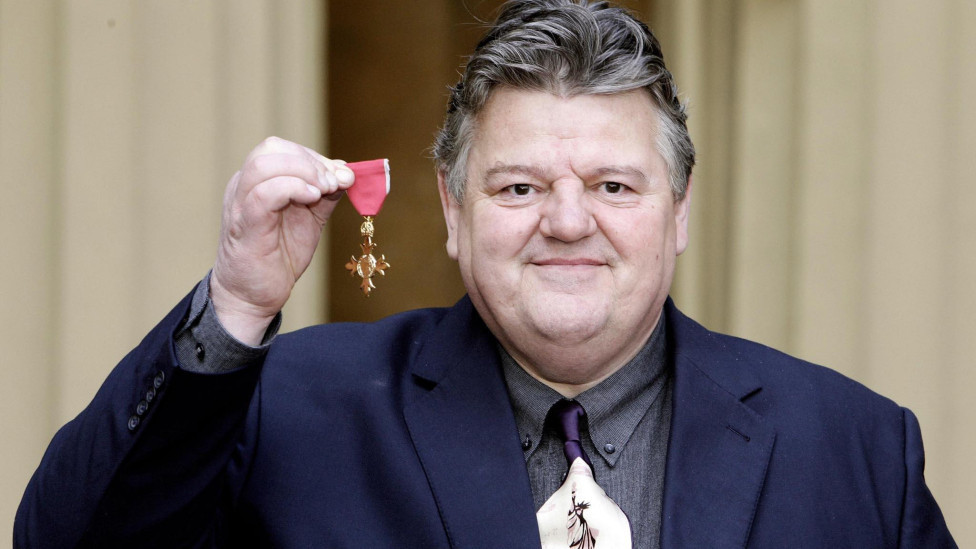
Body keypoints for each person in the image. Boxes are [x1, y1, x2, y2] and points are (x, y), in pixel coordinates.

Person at [15, 1, 955, 547]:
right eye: (518, 187)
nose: (568, 221)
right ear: (454, 210)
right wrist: (236, 303)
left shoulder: (858, 449)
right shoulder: (290, 410)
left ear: (678, 209)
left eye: (613, 184)